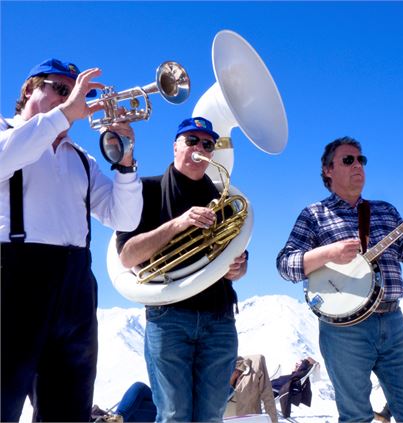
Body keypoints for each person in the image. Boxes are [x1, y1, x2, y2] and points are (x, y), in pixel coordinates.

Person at [0, 58, 143, 422]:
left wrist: (125, 162)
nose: (71, 98)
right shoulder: (5, 132)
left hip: (75, 287)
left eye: (74, 91)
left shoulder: (82, 159)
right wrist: (64, 114)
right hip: (13, 281)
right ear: (31, 88)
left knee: (67, 410)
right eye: (61, 89)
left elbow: (123, 217)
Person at [277, 136, 403, 422]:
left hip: (393, 321)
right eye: (348, 160)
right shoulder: (314, 215)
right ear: (327, 170)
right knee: (355, 416)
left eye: (361, 160)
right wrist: (328, 254)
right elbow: (285, 265)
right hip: (343, 331)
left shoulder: (384, 210)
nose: (358, 164)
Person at [116, 116, 248, 422]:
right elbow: (127, 256)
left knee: (212, 414)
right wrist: (178, 224)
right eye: (192, 141)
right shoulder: (145, 190)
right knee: (174, 414)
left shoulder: (223, 199)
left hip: (219, 318)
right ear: (175, 146)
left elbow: (236, 253)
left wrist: (239, 267)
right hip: (169, 316)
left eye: (208, 144)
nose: (200, 148)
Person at [225, 354, 278, 422]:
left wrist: (273, 421)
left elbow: (268, 397)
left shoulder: (256, 364)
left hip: (250, 419)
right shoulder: (216, 373)